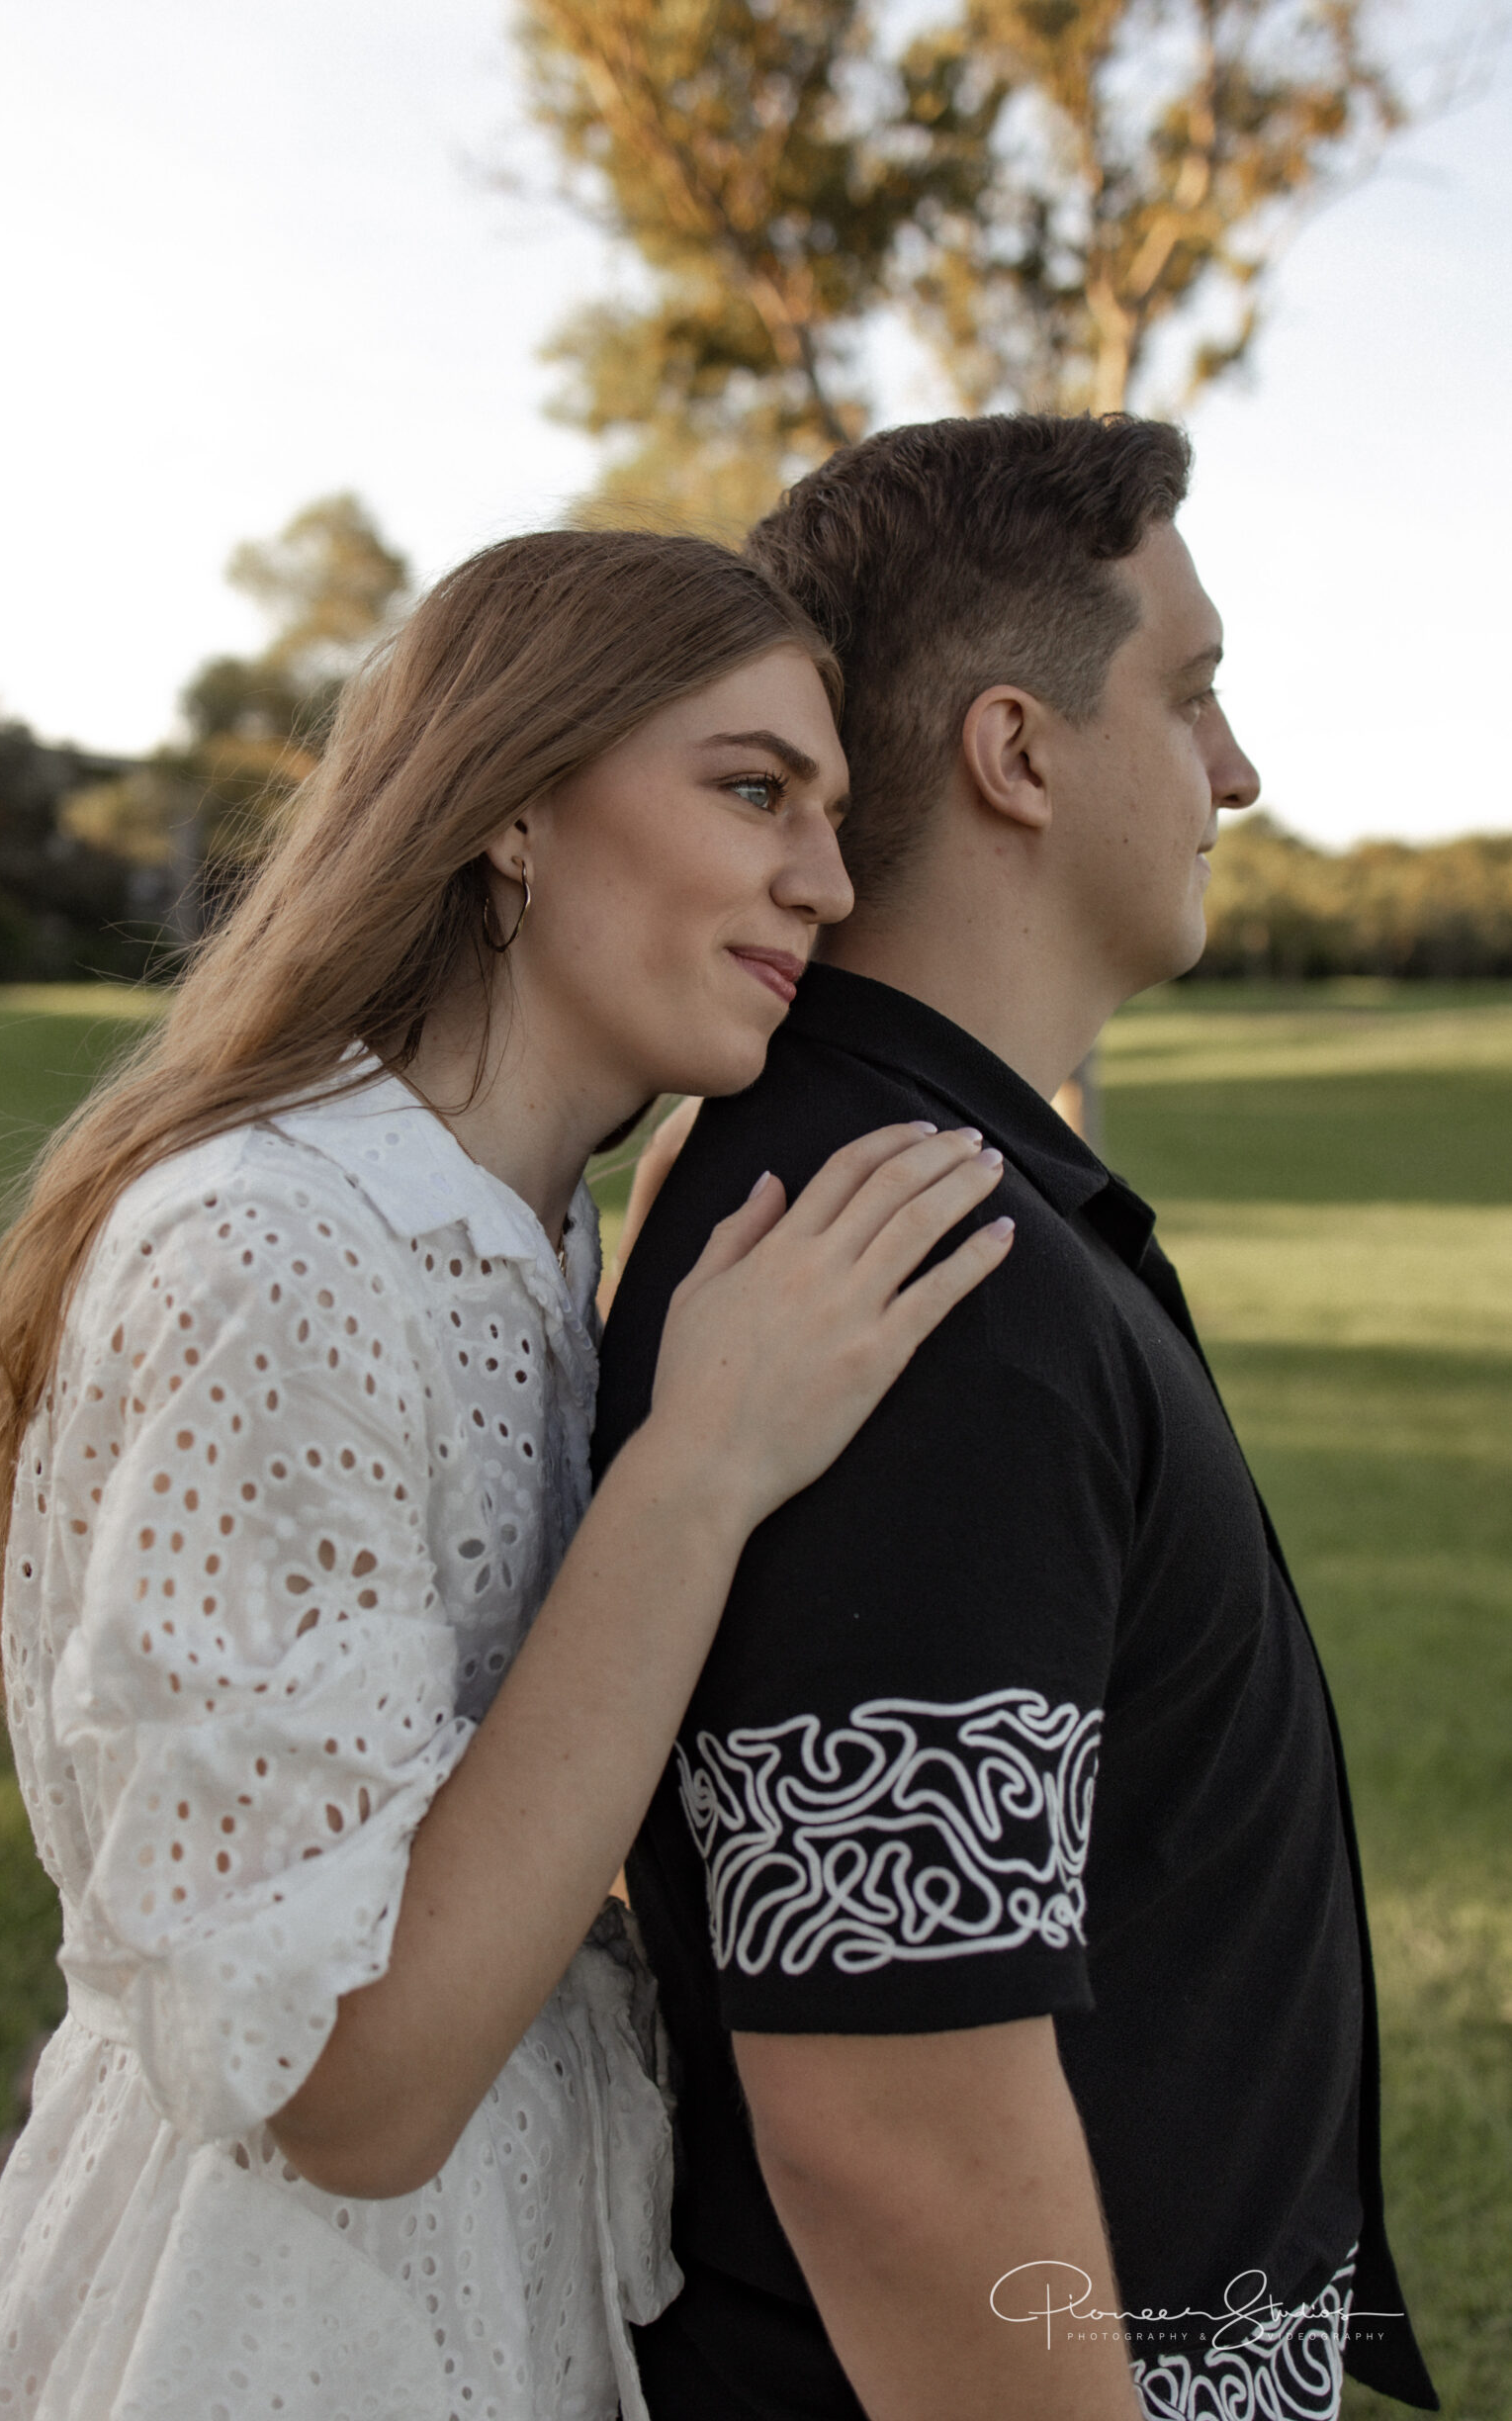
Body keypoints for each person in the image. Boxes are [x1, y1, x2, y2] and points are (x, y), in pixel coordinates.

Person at [0, 529, 1016, 2421]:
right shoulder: (274, 1247)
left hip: (513, 2276)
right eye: (755, 789)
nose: (828, 883)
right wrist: (700, 1468)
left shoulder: (523, 1231)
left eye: (833, 816)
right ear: (512, 804)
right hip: (279, 2323)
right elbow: (350, 2095)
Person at [595, 418, 1438, 2421]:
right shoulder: (903, 1270)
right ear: (1018, 752)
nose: (1236, 770)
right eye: (1191, 691)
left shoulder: (927, 1192)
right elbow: (887, 2125)